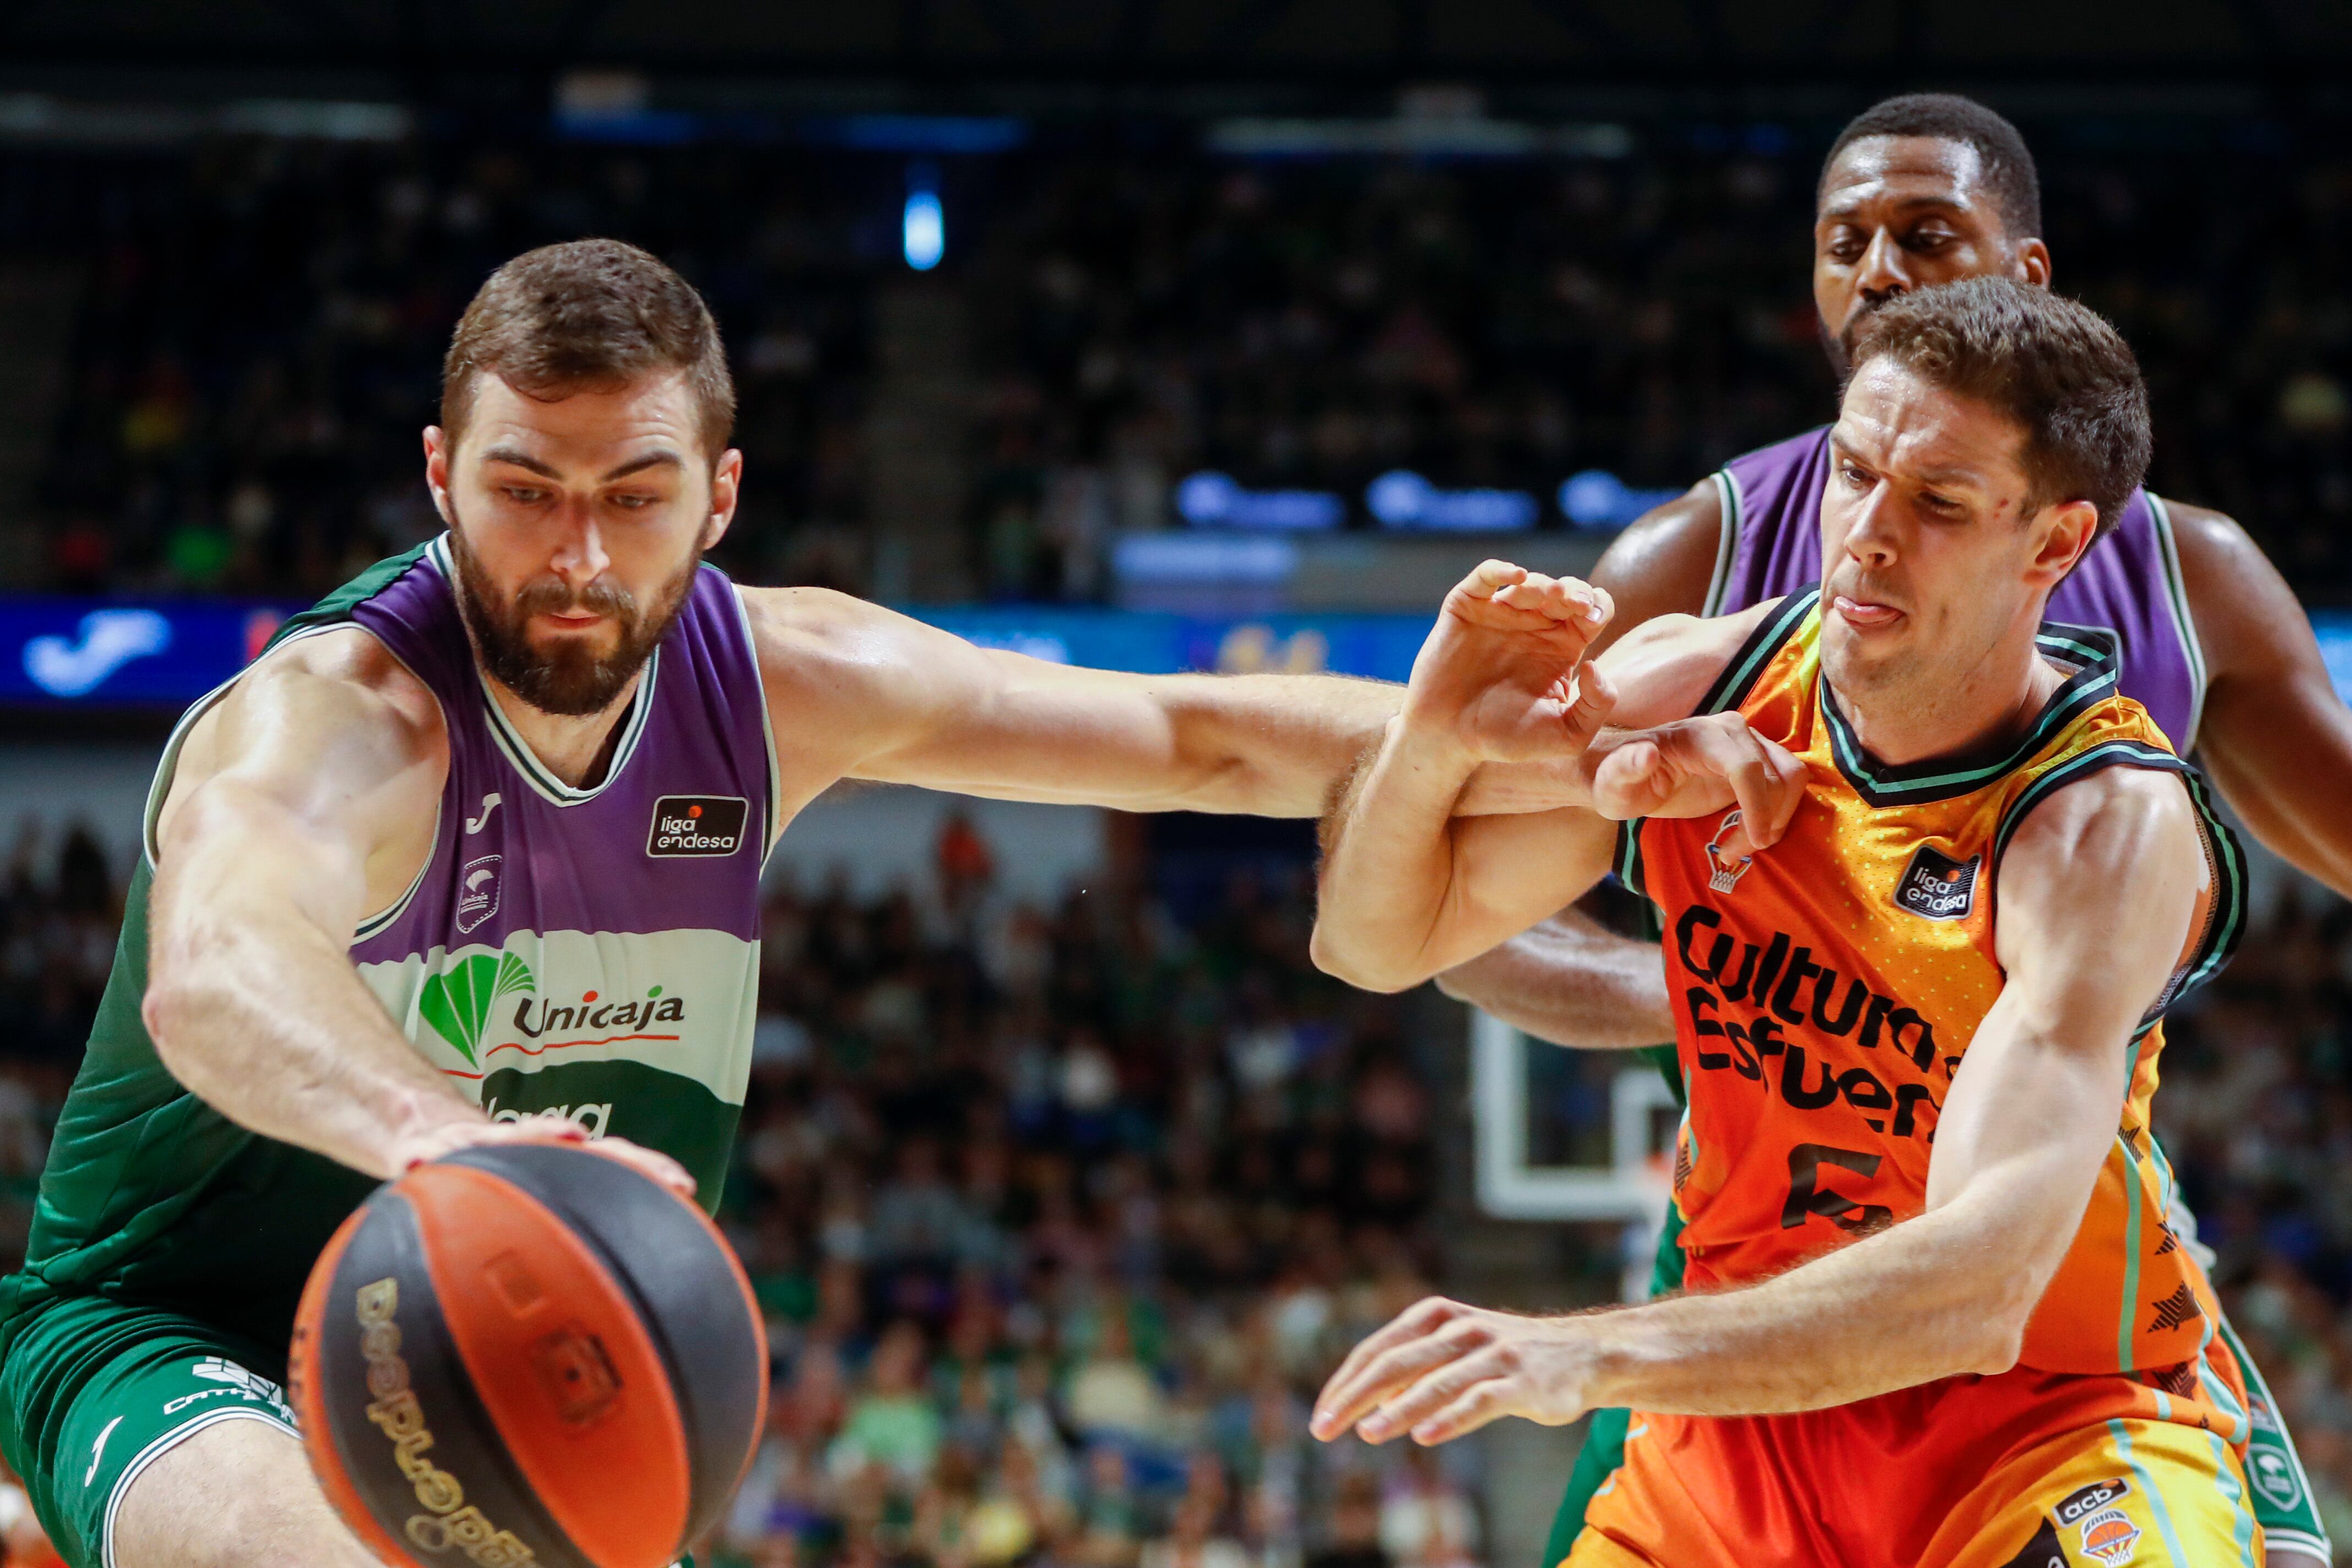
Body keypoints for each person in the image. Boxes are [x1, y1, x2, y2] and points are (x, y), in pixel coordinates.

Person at [0, 239, 1523, 1568]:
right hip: (170, 1333)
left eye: (635, 495)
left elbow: (1200, 737)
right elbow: (216, 973)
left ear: (720, 496)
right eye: (524, 491)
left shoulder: (787, 683)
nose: (578, 556)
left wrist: (1534, 746)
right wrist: (441, 1142)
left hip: (506, 1354)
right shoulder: (341, 718)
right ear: (439, 474)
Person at [1435, 92, 2340, 1568]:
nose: (1876, 271)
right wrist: (1733, 996)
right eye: (1842, 241)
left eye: (1924, 234)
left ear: (2025, 280)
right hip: (1757, 1241)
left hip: (2044, 1246)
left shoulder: (2192, 576)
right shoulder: (1703, 557)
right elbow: (1448, 904)